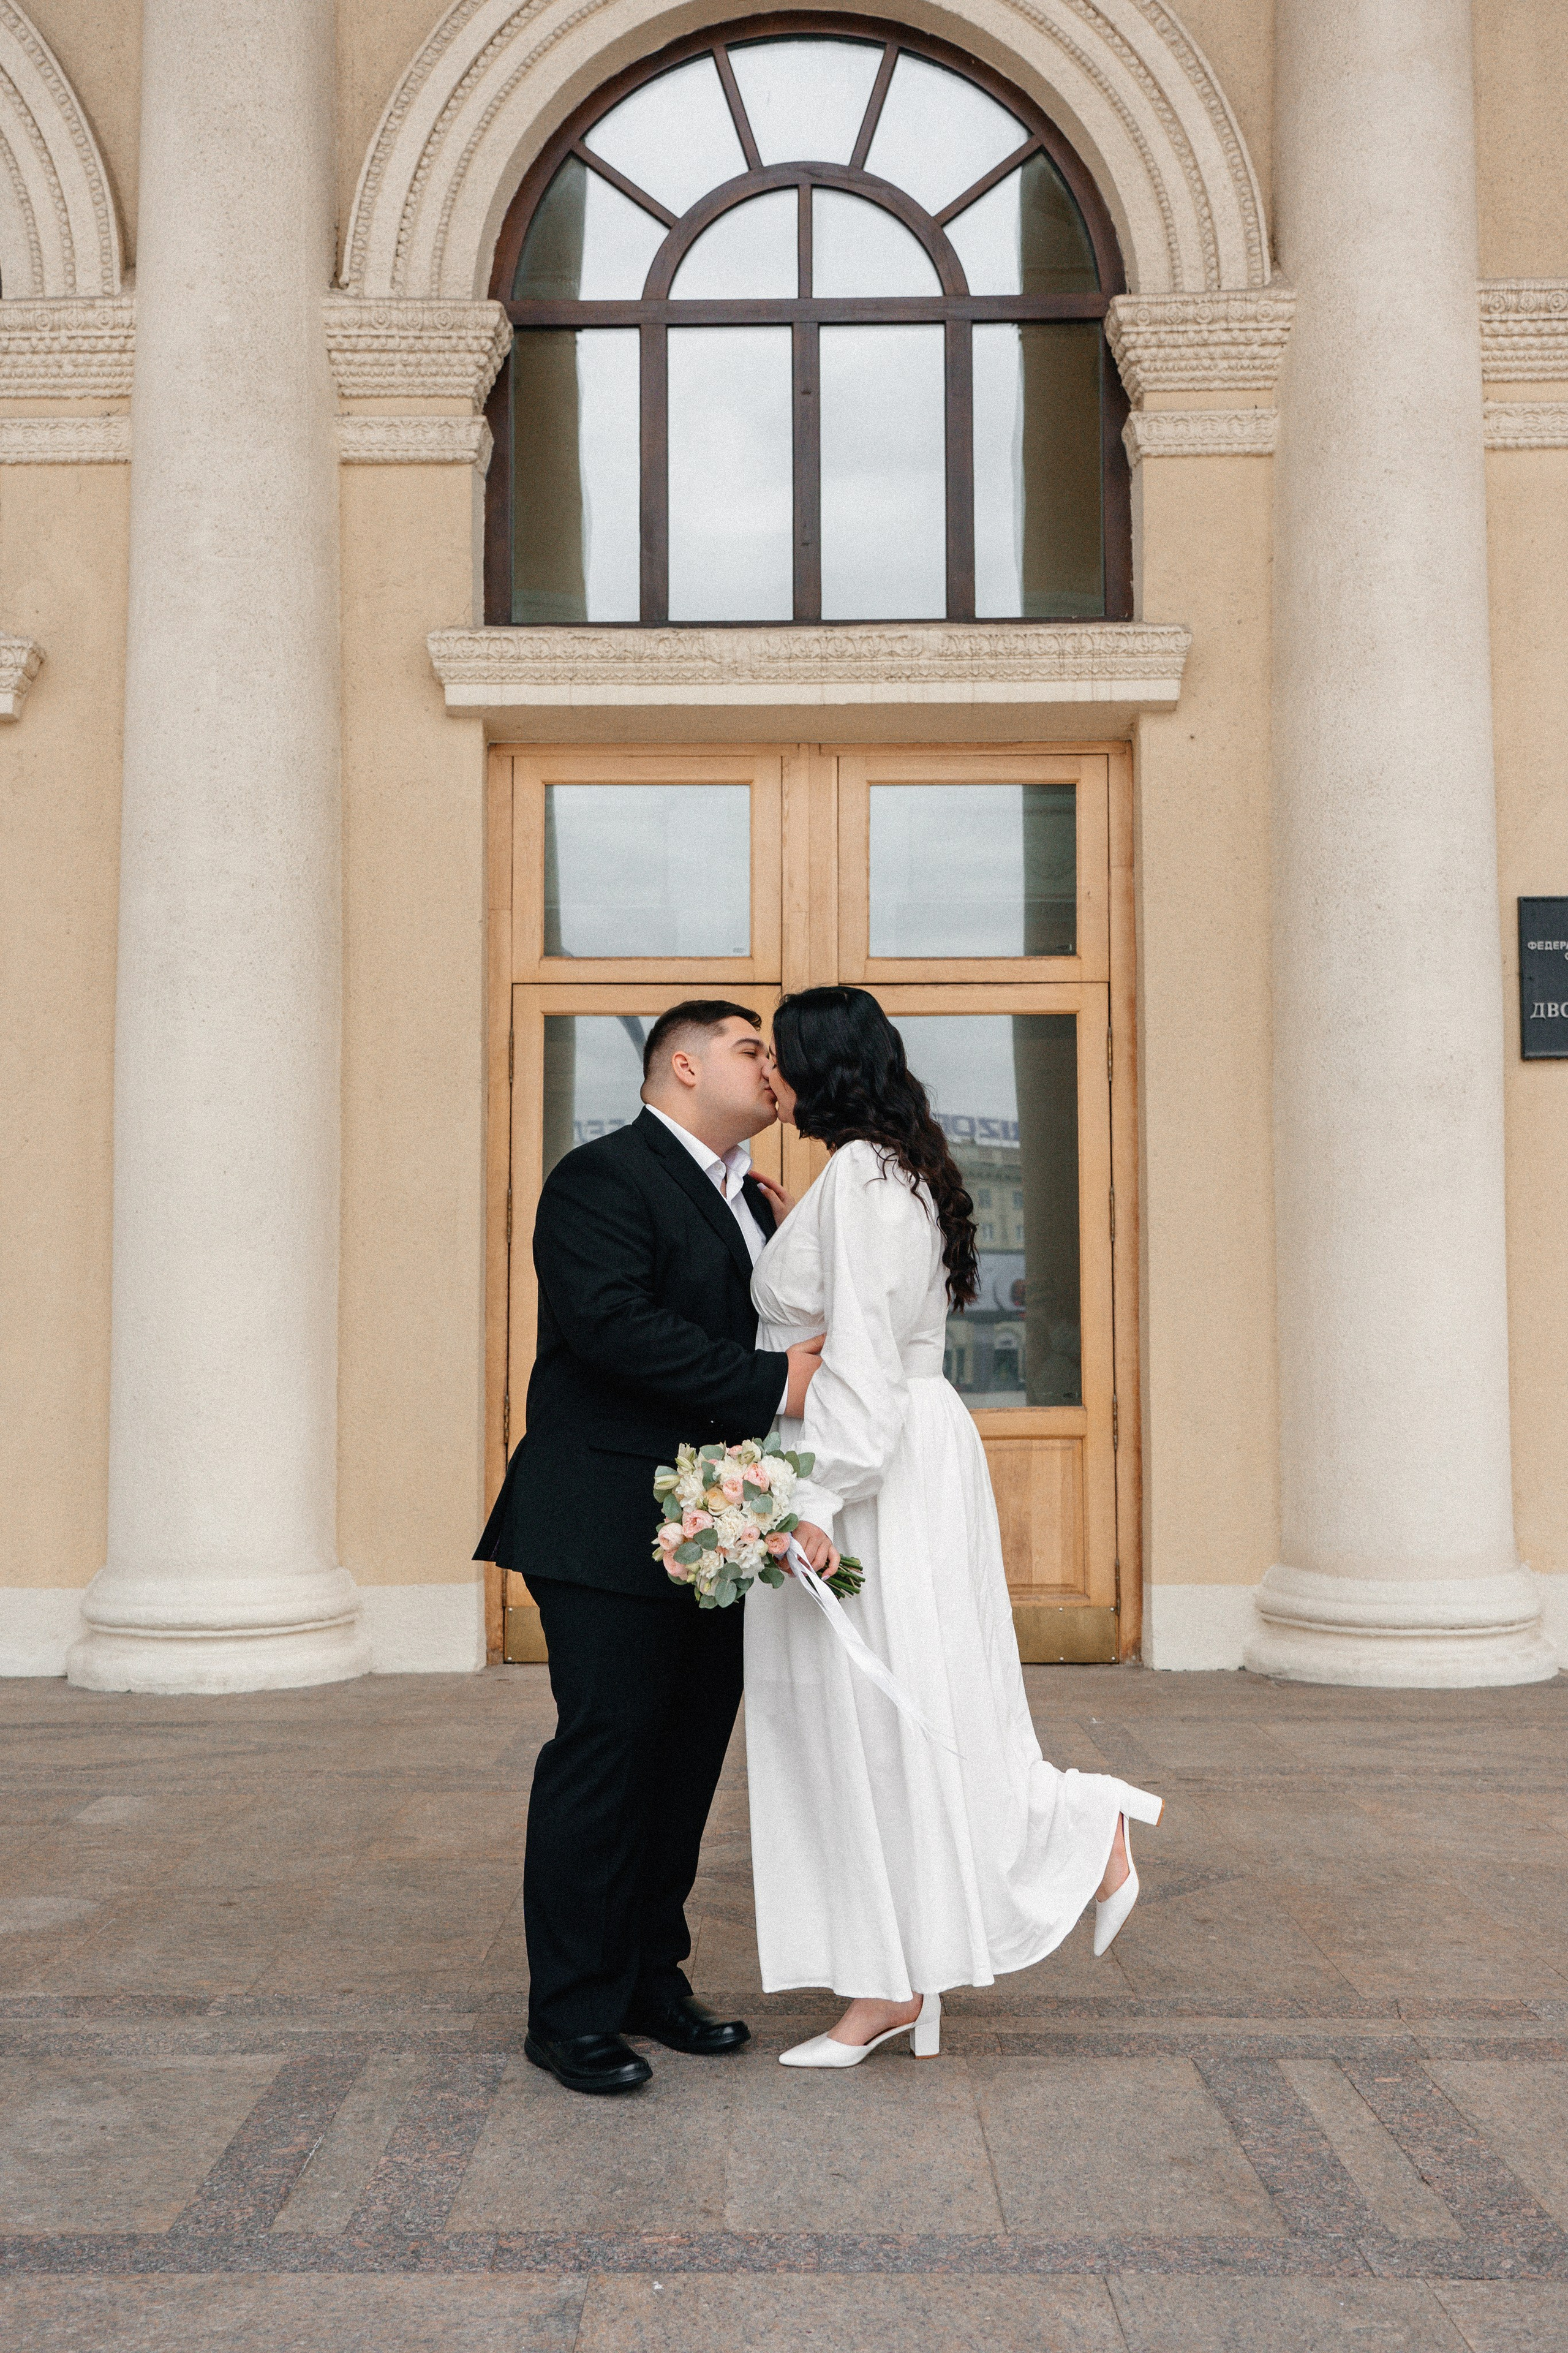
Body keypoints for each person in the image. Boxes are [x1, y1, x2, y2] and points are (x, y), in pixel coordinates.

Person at [745, 986, 1163, 2066]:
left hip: (875, 1470)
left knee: (892, 1709)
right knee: (879, 1715)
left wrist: (815, 1501)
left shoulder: (865, 1182)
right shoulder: (881, 1175)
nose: (770, 1077)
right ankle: (897, 1978)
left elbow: (864, 1366)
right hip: (900, 1455)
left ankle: (1080, 1832)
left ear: (820, 1068)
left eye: (778, 1056)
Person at [475, 1000, 829, 2095]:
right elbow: (614, 1323)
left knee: (682, 1767)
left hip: (716, 1529)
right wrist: (778, 1382)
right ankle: (570, 2011)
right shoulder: (601, 1178)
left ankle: (647, 1978)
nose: (771, 1069)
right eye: (748, 1048)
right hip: (604, 1522)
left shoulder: (751, 1202)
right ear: (681, 1064)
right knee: (607, 1759)